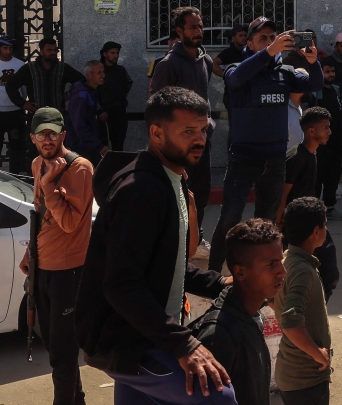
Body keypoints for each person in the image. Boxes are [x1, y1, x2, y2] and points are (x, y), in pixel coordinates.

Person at [76, 87, 235, 405]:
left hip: (150, 330)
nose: (200, 139)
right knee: (216, 394)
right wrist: (184, 345)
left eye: (203, 129)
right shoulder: (141, 190)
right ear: (156, 133)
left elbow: (168, 262)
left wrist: (221, 283)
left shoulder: (172, 178)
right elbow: (121, 284)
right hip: (130, 339)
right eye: (188, 131)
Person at [207, 18, 323, 272]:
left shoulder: (284, 72)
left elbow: (313, 84)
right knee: (230, 218)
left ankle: (260, 276)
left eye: (273, 37)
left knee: (266, 223)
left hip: (275, 159)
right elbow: (235, 78)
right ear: (249, 43)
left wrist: (313, 63)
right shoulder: (237, 68)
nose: (270, 42)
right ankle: (213, 274)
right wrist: (269, 52)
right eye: (263, 38)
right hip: (244, 157)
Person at [15, 108, 93, 405]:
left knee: (62, 354)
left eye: (52, 133)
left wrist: (50, 186)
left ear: (63, 134)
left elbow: (71, 223)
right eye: (41, 134)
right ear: (33, 138)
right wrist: (29, 252)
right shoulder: (38, 164)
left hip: (68, 272)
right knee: (56, 347)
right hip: (42, 267)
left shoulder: (79, 168)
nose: (47, 139)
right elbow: (40, 215)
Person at [190, 219, 286, 405]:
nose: (282, 271)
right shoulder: (219, 336)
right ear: (240, 272)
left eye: (280, 262)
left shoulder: (251, 317)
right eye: (271, 264)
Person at [149, 7, 217, 249]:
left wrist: (208, 125)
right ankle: (175, 240)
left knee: (201, 191)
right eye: (192, 27)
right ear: (180, 31)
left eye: (200, 26)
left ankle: (195, 239)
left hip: (202, 141)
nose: (198, 31)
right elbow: (156, 106)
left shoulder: (205, 61)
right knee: (176, 192)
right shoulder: (168, 65)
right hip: (178, 145)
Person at [273, 197, 333, 405]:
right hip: (306, 379)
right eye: (325, 225)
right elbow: (290, 322)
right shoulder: (303, 271)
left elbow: (272, 299)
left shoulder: (288, 258)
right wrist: (319, 355)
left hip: (291, 374)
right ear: (316, 232)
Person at [277, 107, 340, 300]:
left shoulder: (312, 154)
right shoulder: (296, 158)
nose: (329, 132)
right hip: (299, 226)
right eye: (325, 128)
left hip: (312, 221)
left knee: (328, 272)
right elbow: (283, 194)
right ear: (311, 131)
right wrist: (279, 225)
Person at [6, 37, 85, 113]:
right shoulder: (29, 68)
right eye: (49, 50)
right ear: (41, 51)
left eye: (55, 50)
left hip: (58, 114)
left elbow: (82, 81)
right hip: (36, 115)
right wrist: (23, 104)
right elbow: (11, 85)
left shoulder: (63, 68)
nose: (53, 53)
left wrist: (69, 94)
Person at [315, 58, 342, 221]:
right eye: (327, 71)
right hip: (319, 144)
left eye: (332, 71)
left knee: (332, 177)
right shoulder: (315, 92)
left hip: (335, 143)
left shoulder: (336, 91)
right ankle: (314, 210)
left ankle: (329, 208)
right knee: (317, 177)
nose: (331, 74)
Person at [65, 60, 107, 165]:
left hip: (89, 144)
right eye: (99, 72)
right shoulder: (81, 94)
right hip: (80, 146)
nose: (103, 75)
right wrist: (97, 145)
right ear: (89, 74)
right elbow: (78, 124)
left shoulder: (91, 90)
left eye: (103, 72)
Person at [98, 41, 133, 151]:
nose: (115, 56)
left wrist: (121, 95)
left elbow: (128, 82)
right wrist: (100, 110)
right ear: (105, 54)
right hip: (104, 115)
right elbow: (92, 90)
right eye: (112, 53)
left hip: (119, 113)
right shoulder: (99, 70)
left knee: (118, 147)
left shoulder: (120, 70)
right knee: (103, 147)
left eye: (117, 53)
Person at [0, 34, 26, 172]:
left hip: (15, 111)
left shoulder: (19, 65)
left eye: (10, 48)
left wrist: (21, 102)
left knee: (16, 145)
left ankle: (15, 174)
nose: (8, 51)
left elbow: (24, 88)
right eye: (5, 48)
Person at [147, 32, 180, 98]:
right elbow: (150, 87)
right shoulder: (157, 62)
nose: (179, 47)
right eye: (176, 43)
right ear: (169, 42)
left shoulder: (186, 62)